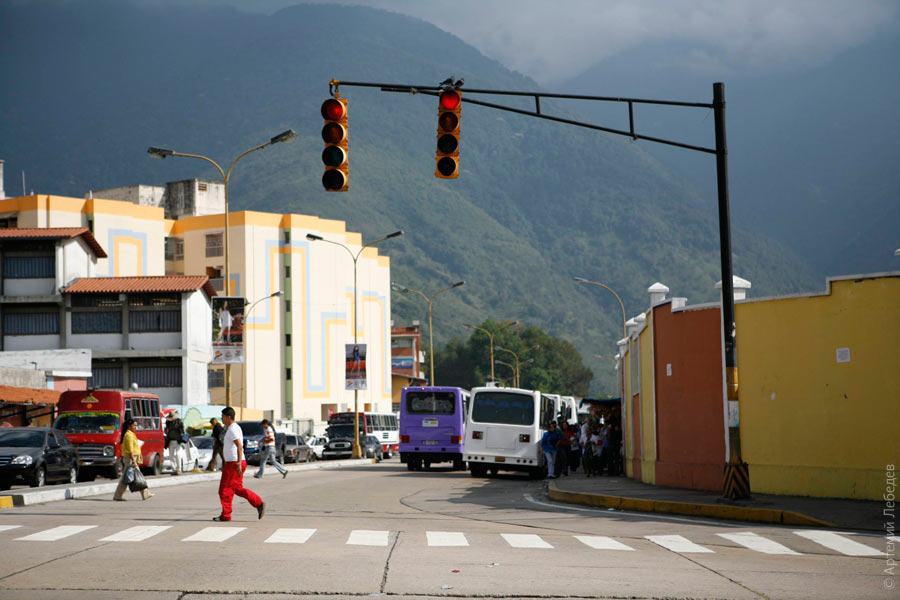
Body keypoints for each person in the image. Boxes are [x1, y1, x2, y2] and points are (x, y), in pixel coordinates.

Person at [215, 406, 264, 522]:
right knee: (236, 488)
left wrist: (237, 463)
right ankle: (258, 503)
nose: (221, 419)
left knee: (225, 490)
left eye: (222, 416)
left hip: (234, 463)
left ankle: (226, 515)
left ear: (228, 417)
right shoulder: (232, 428)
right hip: (233, 462)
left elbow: (239, 446)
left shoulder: (233, 429)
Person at [114, 419, 153, 501]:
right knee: (133, 477)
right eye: (134, 425)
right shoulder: (128, 435)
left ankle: (144, 493)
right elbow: (130, 449)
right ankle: (145, 493)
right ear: (129, 426)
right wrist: (134, 461)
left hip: (131, 458)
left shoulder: (131, 434)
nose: (136, 427)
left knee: (130, 477)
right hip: (130, 458)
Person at [165, 409, 185, 475]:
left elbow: (183, 431)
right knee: (171, 456)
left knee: (178, 455)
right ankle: (174, 470)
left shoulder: (179, 422)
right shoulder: (168, 422)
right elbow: (166, 431)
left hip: (177, 441)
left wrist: (181, 430)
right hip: (170, 440)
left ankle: (179, 469)